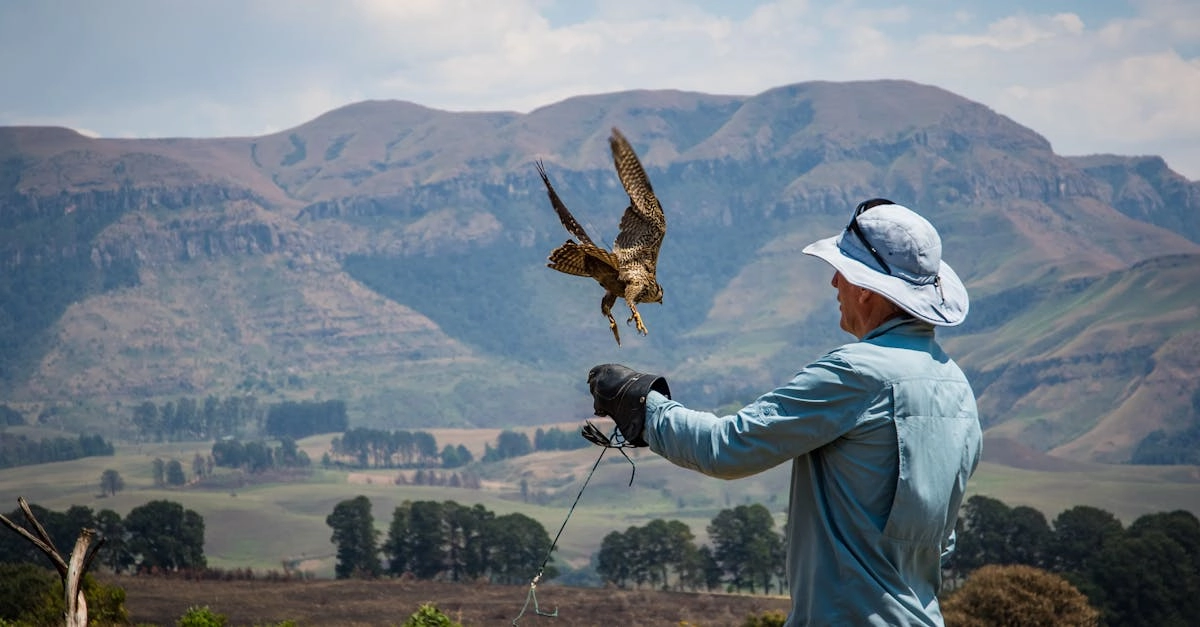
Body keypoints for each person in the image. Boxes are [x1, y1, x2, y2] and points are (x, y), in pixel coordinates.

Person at [587, 199, 982, 627]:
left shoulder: (857, 373)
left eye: (843, 271)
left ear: (867, 289)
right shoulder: (957, 389)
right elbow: (940, 543)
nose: (834, 282)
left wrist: (643, 405)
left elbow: (728, 448)